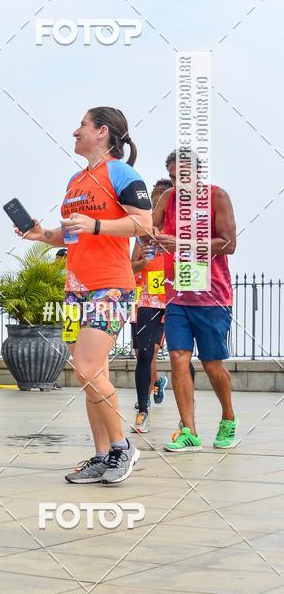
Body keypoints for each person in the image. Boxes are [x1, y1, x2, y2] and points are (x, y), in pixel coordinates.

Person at [16, 107, 152, 485]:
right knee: (90, 375)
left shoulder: (122, 174)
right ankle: (101, 455)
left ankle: (123, 448)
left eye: (83, 125)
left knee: (88, 368)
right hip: (76, 288)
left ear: (102, 132)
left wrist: (95, 224)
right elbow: (71, 235)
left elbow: (143, 223)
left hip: (111, 285)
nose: (75, 131)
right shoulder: (77, 180)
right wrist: (42, 234)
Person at [152, 149, 237, 452]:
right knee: (178, 358)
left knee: (212, 364)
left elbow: (229, 244)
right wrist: (151, 236)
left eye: (183, 177)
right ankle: (189, 430)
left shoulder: (217, 196)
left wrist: (181, 242)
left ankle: (228, 417)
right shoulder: (168, 198)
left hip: (213, 297)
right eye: (174, 178)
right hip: (177, 296)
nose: (179, 184)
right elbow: (148, 232)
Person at [130, 178, 172, 433]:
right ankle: (142, 409)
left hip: (174, 300)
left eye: (161, 204)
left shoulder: (182, 231)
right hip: (146, 301)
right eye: (154, 204)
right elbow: (130, 265)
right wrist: (142, 263)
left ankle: (187, 423)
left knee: (181, 357)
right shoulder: (144, 235)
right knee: (144, 354)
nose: (157, 209)